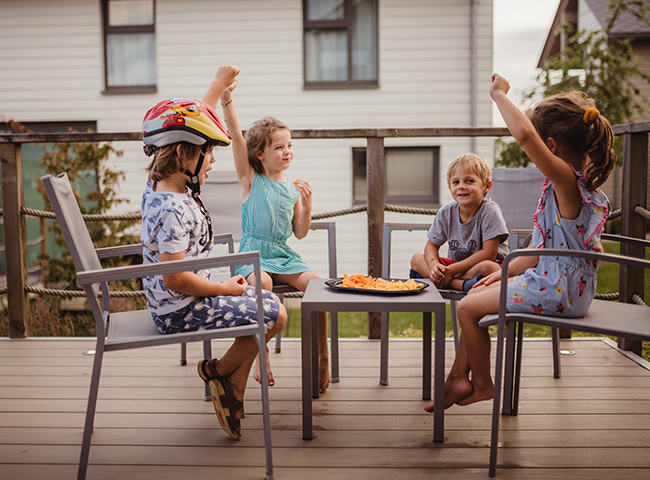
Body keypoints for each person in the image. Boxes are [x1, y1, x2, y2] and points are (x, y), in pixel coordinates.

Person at [424, 73, 615, 412]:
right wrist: (503, 273)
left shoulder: (568, 183)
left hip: (561, 290)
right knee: (476, 293)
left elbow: (525, 135)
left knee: (466, 308)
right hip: (557, 283)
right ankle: (457, 375)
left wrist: (498, 94)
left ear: (551, 146)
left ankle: (481, 383)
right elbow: (541, 251)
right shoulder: (564, 191)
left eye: (542, 148)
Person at [140, 65, 287, 440]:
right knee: (272, 310)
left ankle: (230, 384)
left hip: (174, 300)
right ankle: (222, 374)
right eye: (208, 153)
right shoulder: (173, 209)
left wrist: (218, 87)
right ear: (187, 156)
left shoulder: (161, 185)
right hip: (178, 310)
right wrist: (227, 288)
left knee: (270, 307)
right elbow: (175, 277)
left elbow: (188, 123)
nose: (214, 160)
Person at [218, 74, 331, 393]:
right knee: (262, 282)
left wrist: (307, 206)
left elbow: (299, 233)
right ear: (259, 154)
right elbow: (237, 140)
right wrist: (227, 102)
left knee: (317, 285)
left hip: (282, 254)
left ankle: (323, 356)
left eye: (289, 146)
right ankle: (260, 353)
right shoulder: (249, 180)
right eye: (278, 147)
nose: (286, 152)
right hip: (253, 254)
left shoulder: (292, 190)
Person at [409, 153, 509, 292]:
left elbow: (489, 254)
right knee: (417, 259)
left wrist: (450, 271)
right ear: (450, 188)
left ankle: (446, 281)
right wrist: (434, 266)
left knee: (487, 267)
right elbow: (431, 245)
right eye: (456, 182)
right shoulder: (446, 212)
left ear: (486, 186)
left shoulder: (489, 211)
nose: (461, 186)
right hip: (457, 270)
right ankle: (459, 285)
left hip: (483, 267)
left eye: (469, 181)